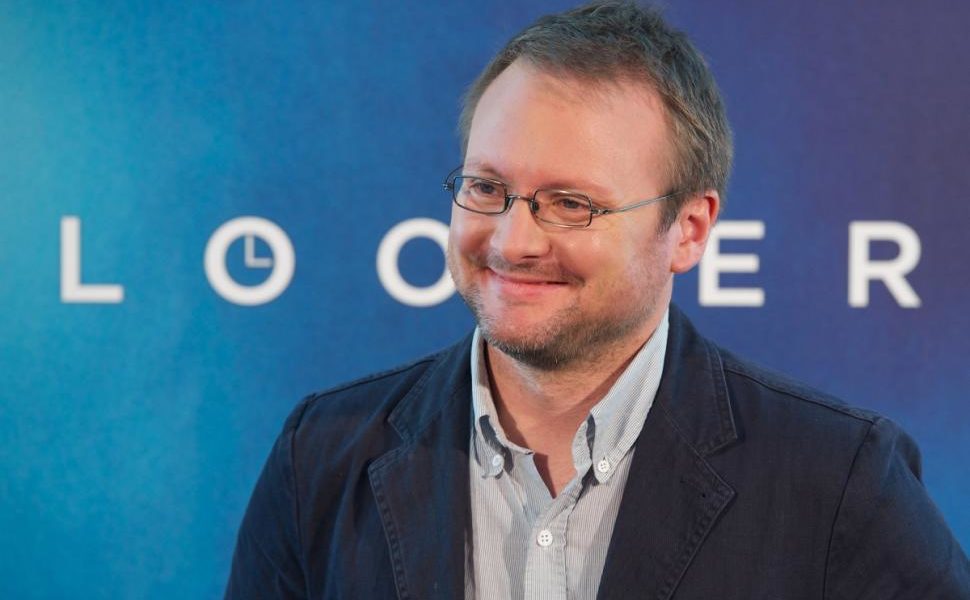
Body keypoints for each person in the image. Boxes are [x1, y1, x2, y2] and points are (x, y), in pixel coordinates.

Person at [225, 2, 970, 598]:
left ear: (688, 229)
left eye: (571, 203)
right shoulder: (320, 459)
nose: (513, 240)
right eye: (486, 187)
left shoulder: (838, 481)